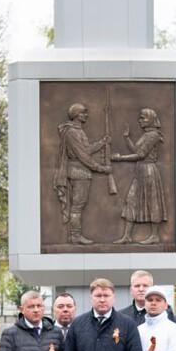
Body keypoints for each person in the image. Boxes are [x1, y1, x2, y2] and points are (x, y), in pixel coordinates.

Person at [53, 103, 112, 245]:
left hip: (82, 172)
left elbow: (86, 150)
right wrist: (101, 168)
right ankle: (75, 236)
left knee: (79, 205)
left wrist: (101, 143)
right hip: (78, 172)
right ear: (75, 115)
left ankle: (76, 235)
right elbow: (83, 156)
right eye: (83, 113)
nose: (86, 115)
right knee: (77, 206)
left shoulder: (78, 131)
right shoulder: (72, 132)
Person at [111, 107, 167, 244]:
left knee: (152, 202)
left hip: (149, 171)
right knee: (131, 200)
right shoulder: (146, 134)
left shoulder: (153, 135)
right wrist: (126, 138)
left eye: (143, 118)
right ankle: (127, 236)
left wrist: (120, 158)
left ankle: (155, 235)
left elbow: (140, 155)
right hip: (140, 171)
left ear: (151, 119)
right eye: (140, 117)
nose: (140, 120)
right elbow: (136, 150)